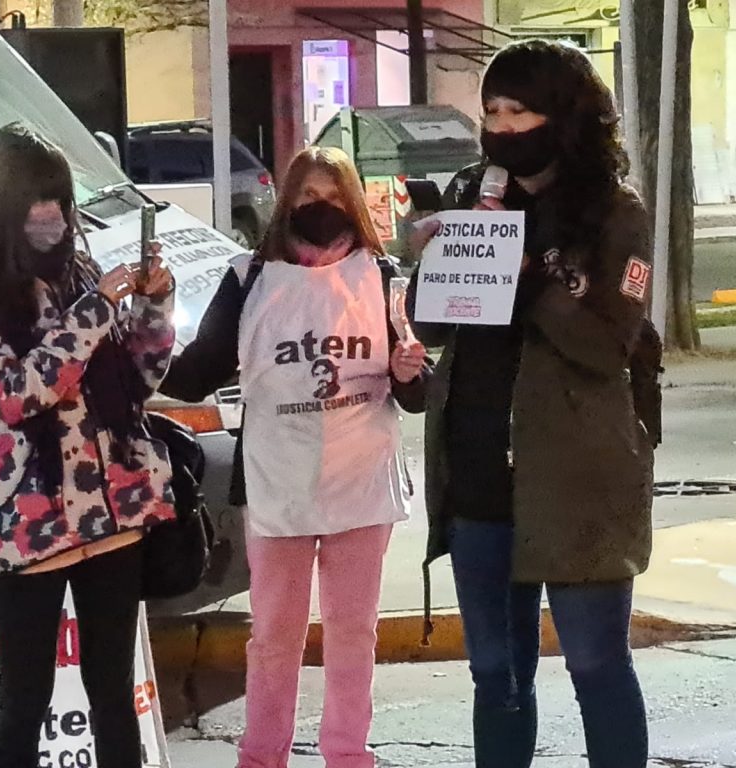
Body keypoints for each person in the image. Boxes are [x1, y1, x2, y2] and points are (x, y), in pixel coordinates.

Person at [408, 40, 656, 768]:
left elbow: (608, 344)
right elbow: (431, 326)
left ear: (564, 114)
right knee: (496, 675)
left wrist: (530, 279)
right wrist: (436, 257)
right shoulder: (475, 192)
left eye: (519, 111)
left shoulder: (613, 212)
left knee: (595, 665)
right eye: (491, 112)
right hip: (479, 471)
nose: (502, 128)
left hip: (576, 474)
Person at [161, 146, 430, 768]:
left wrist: (409, 371)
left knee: (353, 634)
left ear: (354, 203)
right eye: (309, 196)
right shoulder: (248, 278)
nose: (321, 208)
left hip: (361, 482)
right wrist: (139, 345)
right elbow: (198, 373)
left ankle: (348, 754)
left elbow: (416, 392)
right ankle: (261, 756)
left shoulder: (382, 277)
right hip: (275, 483)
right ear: (287, 203)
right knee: (273, 637)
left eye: (334, 197)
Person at [0, 124, 176, 768]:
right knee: (25, 699)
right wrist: (96, 309)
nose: (52, 216)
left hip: (112, 515)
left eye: (60, 200)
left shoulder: (80, 272)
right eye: (35, 200)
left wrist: (155, 307)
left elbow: (139, 379)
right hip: (25, 522)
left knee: (114, 695)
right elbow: (17, 394)